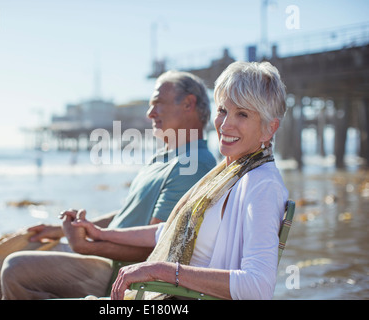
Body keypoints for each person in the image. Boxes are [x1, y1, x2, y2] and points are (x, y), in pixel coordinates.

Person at [68, 61, 289, 300]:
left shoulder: (262, 184)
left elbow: (258, 286)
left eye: (242, 114)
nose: (225, 125)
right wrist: (101, 233)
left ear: (269, 129)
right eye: (223, 110)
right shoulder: (230, 174)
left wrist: (163, 271)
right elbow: (169, 231)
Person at [0, 70, 217, 299]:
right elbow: (126, 216)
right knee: (6, 256)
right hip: (106, 256)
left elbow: (156, 247)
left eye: (158, 103)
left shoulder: (194, 164)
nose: (150, 113)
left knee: (15, 268)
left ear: (189, 104)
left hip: (120, 270)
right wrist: (60, 231)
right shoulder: (167, 156)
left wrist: (88, 246)